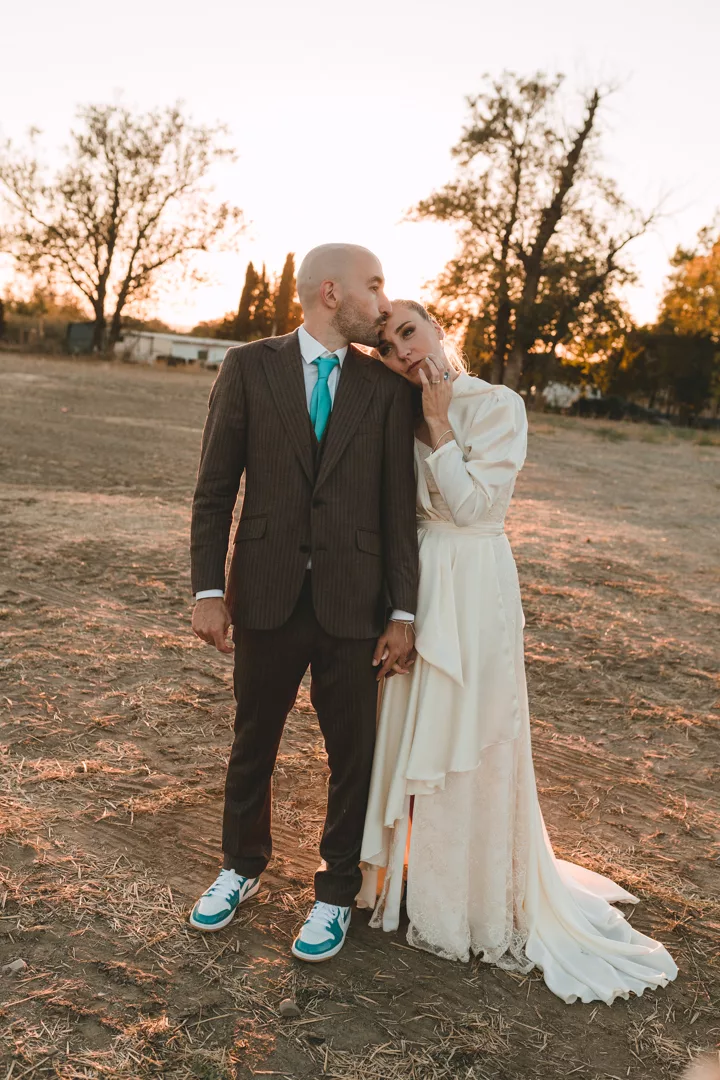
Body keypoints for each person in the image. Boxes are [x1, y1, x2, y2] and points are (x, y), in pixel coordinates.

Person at [358, 299, 678, 1004]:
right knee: (412, 722)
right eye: (385, 346)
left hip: (475, 581)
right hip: (416, 583)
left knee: (472, 731)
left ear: (440, 328)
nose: (403, 352)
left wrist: (439, 425)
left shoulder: (497, 404)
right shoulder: (389, 415)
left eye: (408, 331)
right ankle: (402, 873)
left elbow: (475, 509)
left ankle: (464, 892)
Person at [188, 245, 419, 962]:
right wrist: (206, 590)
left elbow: (395, 510)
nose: (384, 302)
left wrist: (404, 611)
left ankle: (333, 893)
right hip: (264, 593)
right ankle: (240, 867)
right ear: (330, 292)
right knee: (252, 738)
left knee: (352, 754)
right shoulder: (248, 367)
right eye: (374, 287)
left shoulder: (385, 389)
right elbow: (214, 486)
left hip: (356, 603)